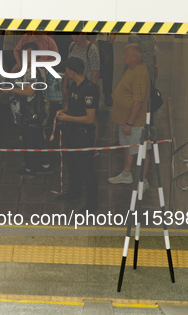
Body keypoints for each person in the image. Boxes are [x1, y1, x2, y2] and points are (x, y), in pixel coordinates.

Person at [55, 57, 100, 211]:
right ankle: (74, 193)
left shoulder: (90, 90)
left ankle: (92, 203)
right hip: (71, 133)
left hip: (83, 135)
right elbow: (72, 104)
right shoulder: (74, 86)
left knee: (86, 169)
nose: (65, 73)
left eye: (66, 70)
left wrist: (67, 118)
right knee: (72, 165)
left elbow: (90, 118)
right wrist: (63, 111)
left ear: (72, 71)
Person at [108, 44, 151, 191]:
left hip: (134, 123)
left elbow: (138, 102)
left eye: (126, 55)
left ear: (134, 57)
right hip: (126, 120)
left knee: (140, 150)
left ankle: (143, 181)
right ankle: (127, 174)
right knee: (128, 146)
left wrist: (129, 123)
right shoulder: (132, 68)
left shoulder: (139, 75)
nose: (123, 57)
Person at [6, 43, 52, 177]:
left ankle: (29, 169)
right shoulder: (33, 68)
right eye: (24, 54)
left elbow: (28, 92)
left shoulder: (32, 70)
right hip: (36, 112)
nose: (25, 57)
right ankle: (46, 165)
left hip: (29, 113)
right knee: (38, 139)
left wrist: (9, 89)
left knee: (29, 141)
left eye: (29, 54)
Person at [87, 33, 115, 107]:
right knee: (87, 60)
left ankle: (107, 94)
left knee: (107, 64)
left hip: (105, 32)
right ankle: (85, 90)